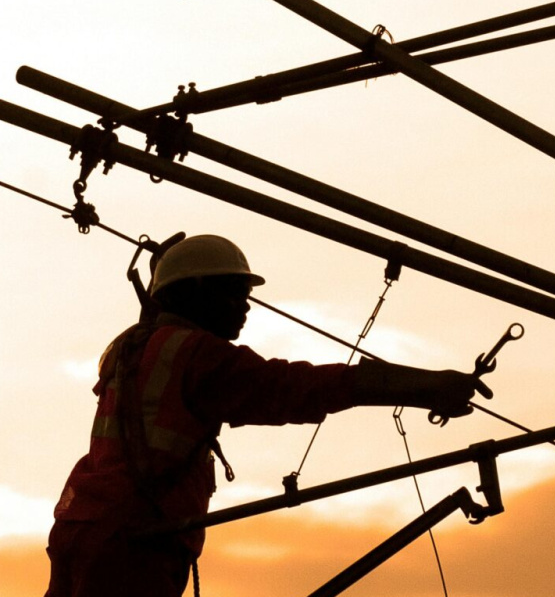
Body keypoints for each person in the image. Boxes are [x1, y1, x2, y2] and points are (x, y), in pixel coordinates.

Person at [44, 234, 492, 597]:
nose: (246, 307)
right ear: (196, 292)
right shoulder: (200, 357)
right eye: (233, 293)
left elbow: (154, 323)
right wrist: (427, 387)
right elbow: (298, 388)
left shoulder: (129, 347)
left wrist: (164, 277)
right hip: (133, 545)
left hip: (79, 529)